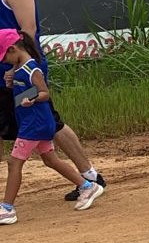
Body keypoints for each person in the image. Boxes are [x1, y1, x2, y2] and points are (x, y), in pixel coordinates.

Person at [0, 0, 105, 202]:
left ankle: (89, 177)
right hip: (5, 72)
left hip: (21, 71)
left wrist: (17, 69)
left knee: (49, 121)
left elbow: (28, 30)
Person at [1, 29, 104, 224]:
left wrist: (31, 99)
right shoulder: (19, 69)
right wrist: (11, 85)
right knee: (50, 160)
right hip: (35, 123)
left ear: (13, 49)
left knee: (14, 163)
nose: (4, 61)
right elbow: (22, 94)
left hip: (35, 125)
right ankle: (87, 186)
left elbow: (44, 93)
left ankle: (7, 208)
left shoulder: (32, 69)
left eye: (4, 57)